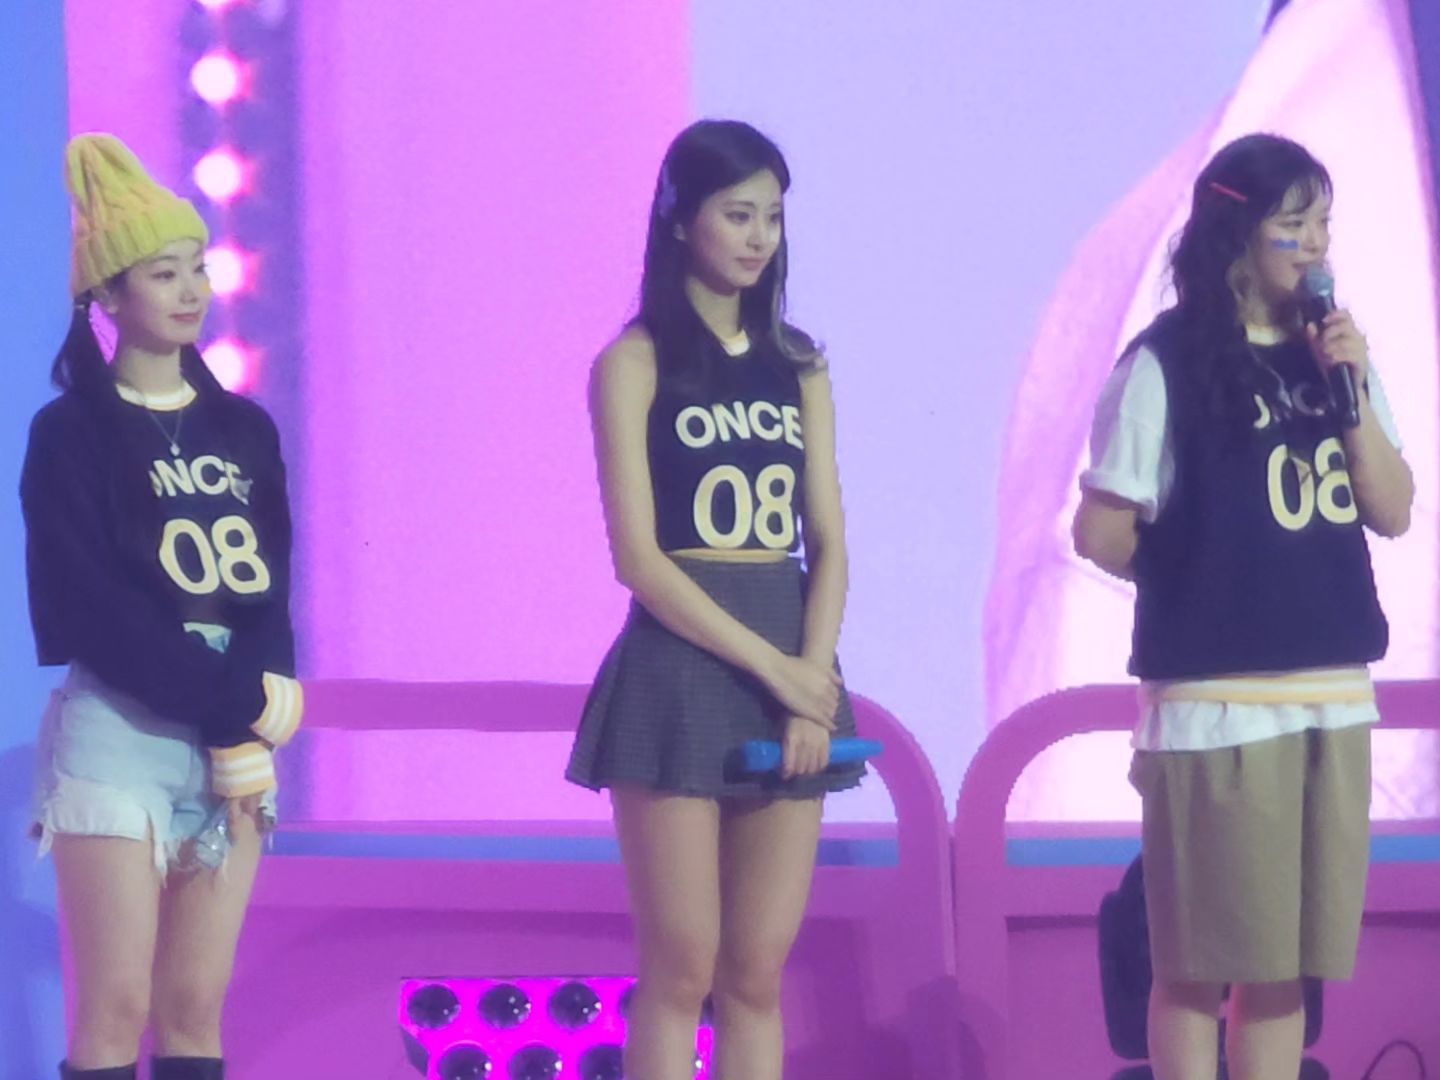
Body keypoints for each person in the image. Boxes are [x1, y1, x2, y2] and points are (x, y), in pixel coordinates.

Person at [1073, 133, 1413, 1080]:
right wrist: (1207, 576)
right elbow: (1101, 531)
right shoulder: (1167, 362)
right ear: (1237, 233)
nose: (1316, 245)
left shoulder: (1331, 356)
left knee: (1285, 972)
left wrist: (1349, 391)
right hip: (1217, 711)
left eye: (1324, 224)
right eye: (1294, 225)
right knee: (1196, 965)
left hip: (1331, 698)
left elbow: (1393, 509)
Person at [566, 119, 865, 1080]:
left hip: (789, 661)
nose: (757, 237)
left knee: (755, 974)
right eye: (737, 214)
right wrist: (778, 670)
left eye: (771, 217)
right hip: (680, 664)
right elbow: (638, 560)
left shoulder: (799, 363)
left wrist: (809, 684)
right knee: (681, 966)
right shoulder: (633, 362)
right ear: (679, 219)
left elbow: (828, 540)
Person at [22, 134, 304, 1080]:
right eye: (162, 273)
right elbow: (89, 609)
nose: (190, 291)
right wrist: (235, 711)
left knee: (194, 1008)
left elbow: (270, 578)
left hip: (235, 739)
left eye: (198, 268)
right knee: (116, 1008)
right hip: (122, 737)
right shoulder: (70, 434)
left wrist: (263, 702)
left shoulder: (243, 427)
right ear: (107, 297)